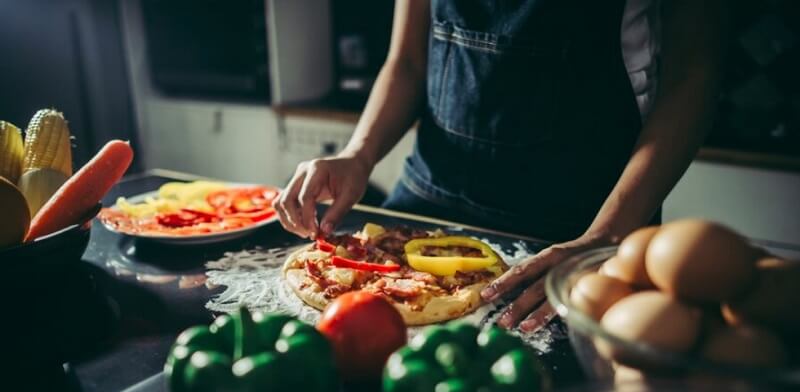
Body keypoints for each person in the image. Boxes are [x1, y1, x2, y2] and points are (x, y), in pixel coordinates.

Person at [274, 0, 728, 332]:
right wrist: (359, 153)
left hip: (582, 224)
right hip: (427, 204)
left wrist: (605, 237)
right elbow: (410, 60)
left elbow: (694, 75)